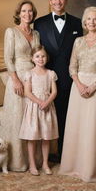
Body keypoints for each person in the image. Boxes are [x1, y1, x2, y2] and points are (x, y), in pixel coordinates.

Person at [59, 6, 96, 182]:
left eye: (95, 19)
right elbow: (72, 66)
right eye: (88, 19)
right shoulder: (78, 41)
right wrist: (79, 84)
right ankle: (74, 165)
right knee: (77, 126)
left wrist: (93, 86)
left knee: (93, 127)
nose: (91, 22)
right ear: (84, 22)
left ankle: (92, 168)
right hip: (78, 88)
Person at [34, 0, 83, 160]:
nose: (58, 2)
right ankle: (46, 155)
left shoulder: (78, 23)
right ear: (49, 1)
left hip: (70, 78)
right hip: (46, 78)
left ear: (66, 1)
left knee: (66, 115)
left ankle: (65, 152)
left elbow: (81, 52)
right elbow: (36, 51)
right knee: (45, 115)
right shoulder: (39, 23)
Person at [0, 0, 40, 172]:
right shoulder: (11, 32)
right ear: (18, 13)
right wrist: (15, 80)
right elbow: (8, 58)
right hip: (17, 78)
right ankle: (16, 161)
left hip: (34, 78)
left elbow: (39, 55)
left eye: (30, 11)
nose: (27, 14)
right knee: (17, 119)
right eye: (24, 11)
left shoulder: (36, 33)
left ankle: (33, 160)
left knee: (31, 119)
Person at [19, 46, 58, 176]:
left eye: (43, 56)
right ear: (32, 58)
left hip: (47, 107)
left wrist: (47, 102)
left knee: (46, 137)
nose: (40, 59)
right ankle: (32, 165)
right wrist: (40, 102)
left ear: (47, 58)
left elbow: (54, 92)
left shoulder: (51, 73)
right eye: (37, 56)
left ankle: (45, 164)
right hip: (34, 107)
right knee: (32, 137)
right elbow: (27, 92)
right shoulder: (29, 74)